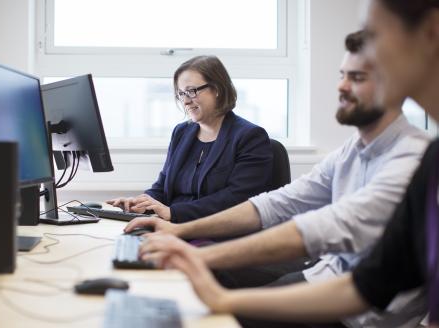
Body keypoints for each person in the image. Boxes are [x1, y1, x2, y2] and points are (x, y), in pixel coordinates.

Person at [135, 0, 439, 327]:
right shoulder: (357, 152)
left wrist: (200, 253)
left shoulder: (417, 158)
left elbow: (328, 228)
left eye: (376, 35)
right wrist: (183, 235)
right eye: (342, 75)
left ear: (430, 33)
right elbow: (280, 204)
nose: (340, 86)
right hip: (332, 281)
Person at [108, 55, 273, 222]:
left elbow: (236, 199)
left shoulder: (250, 137)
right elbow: (163, 187)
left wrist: (173, 212)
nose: (186, 101)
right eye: (181, 93)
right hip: (171, 225)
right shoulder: (181, 133)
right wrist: (140, 202)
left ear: (217, 89)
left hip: (216, 232)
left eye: (192, 91)